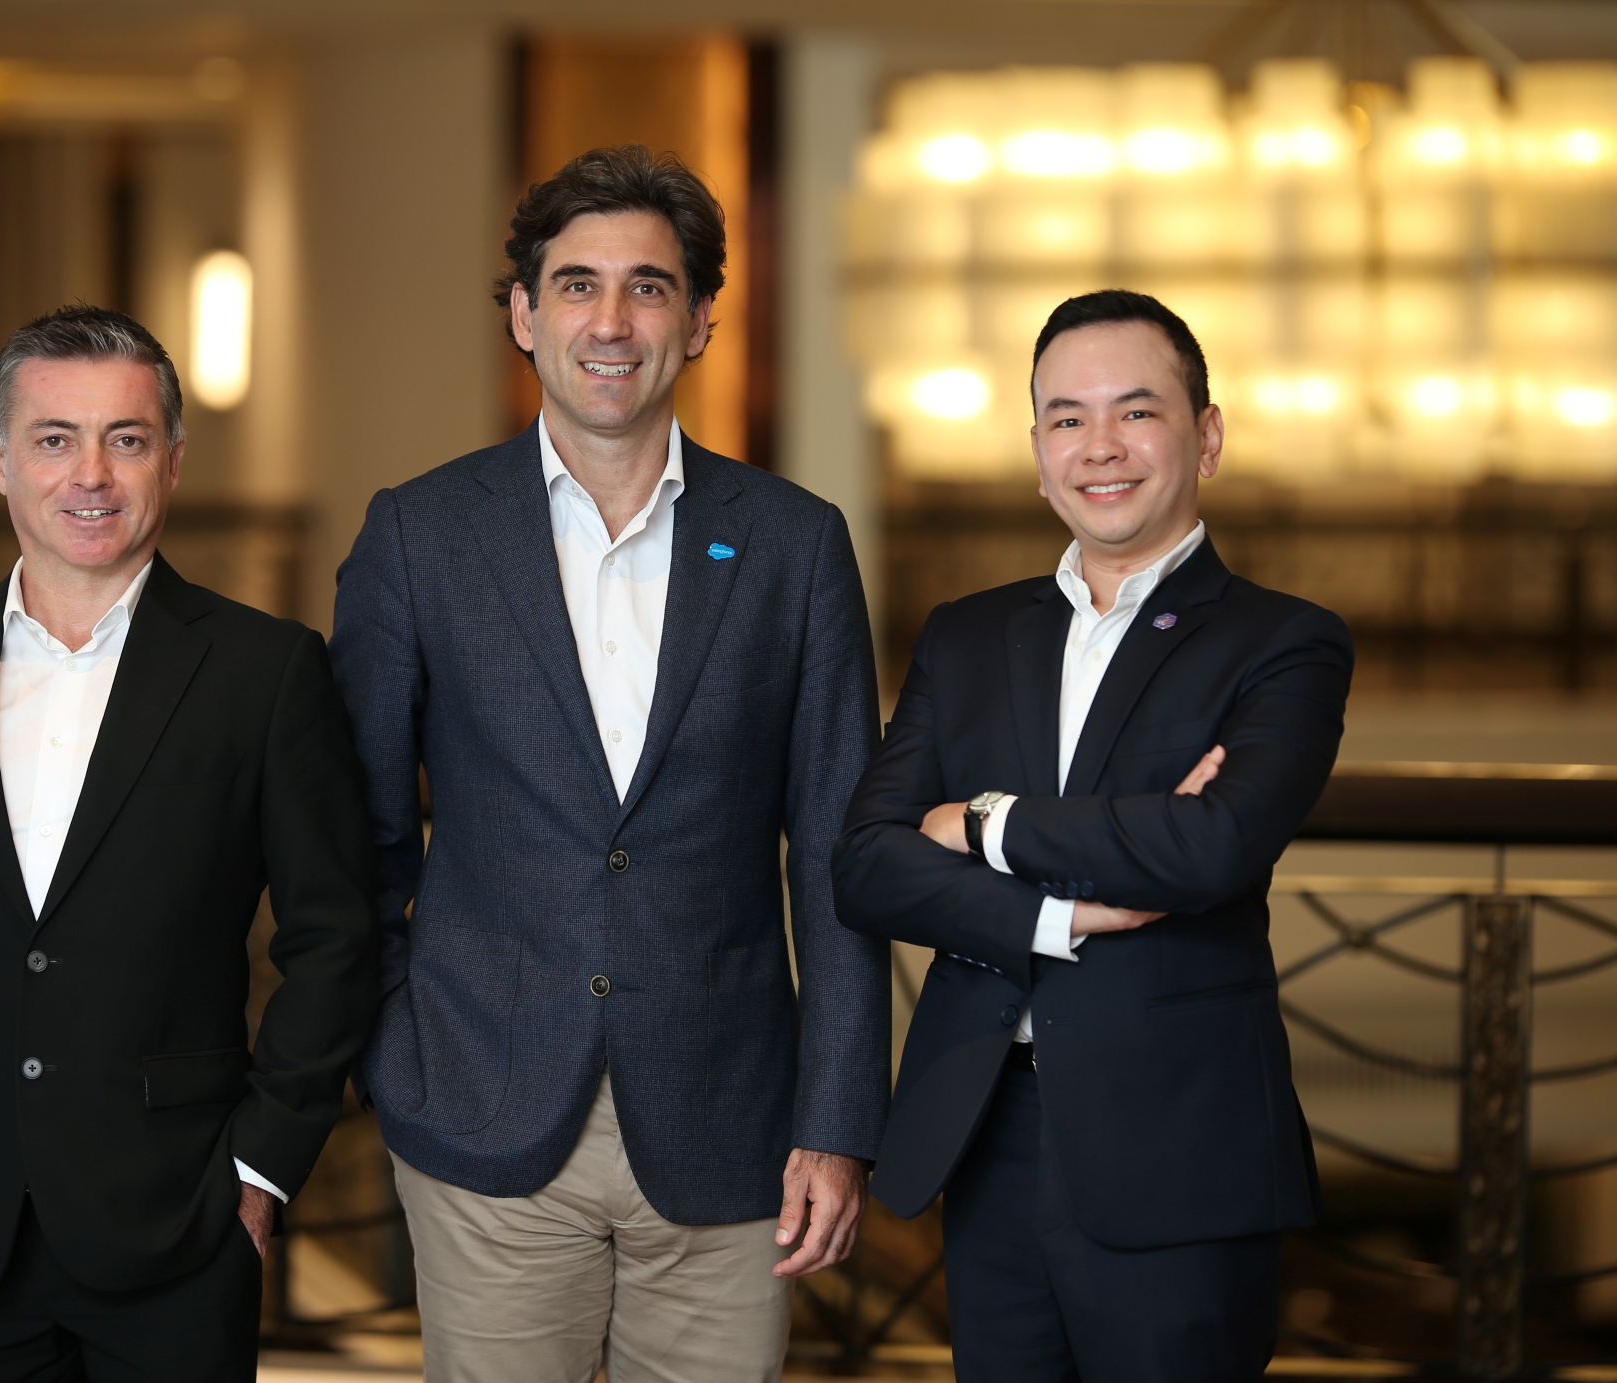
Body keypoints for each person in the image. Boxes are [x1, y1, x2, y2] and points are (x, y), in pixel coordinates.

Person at [329, 145, 889, 1383]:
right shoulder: (419, 535)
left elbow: (837, 860)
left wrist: (839, 1120)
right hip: (480, 1110)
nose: (611, 321)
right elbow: (356, 837)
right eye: (576, 285)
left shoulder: (794, 545)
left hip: (733, 1131)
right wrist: (395, 1057)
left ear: (700, 320)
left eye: (648, 286)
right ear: (523, 316)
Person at [0, 306, 380, 1381]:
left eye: (127, 438)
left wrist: (264, 1165)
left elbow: (337, 937)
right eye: (54, 439)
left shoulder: (266, 671)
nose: (91, 474)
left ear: (174, 460)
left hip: (183, 1222)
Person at [832, 290, 1351, 1381]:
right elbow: (868, 865)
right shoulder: (968, 635)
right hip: (987, 1129)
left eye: (1136, 411)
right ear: (1037, 453)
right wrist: (1058, 916)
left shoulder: (1283, 642)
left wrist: (982, 822)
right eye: (1067, 418)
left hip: (1178, 1149)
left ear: (1206, 436)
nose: (1099, 446)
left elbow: (1211, 846)